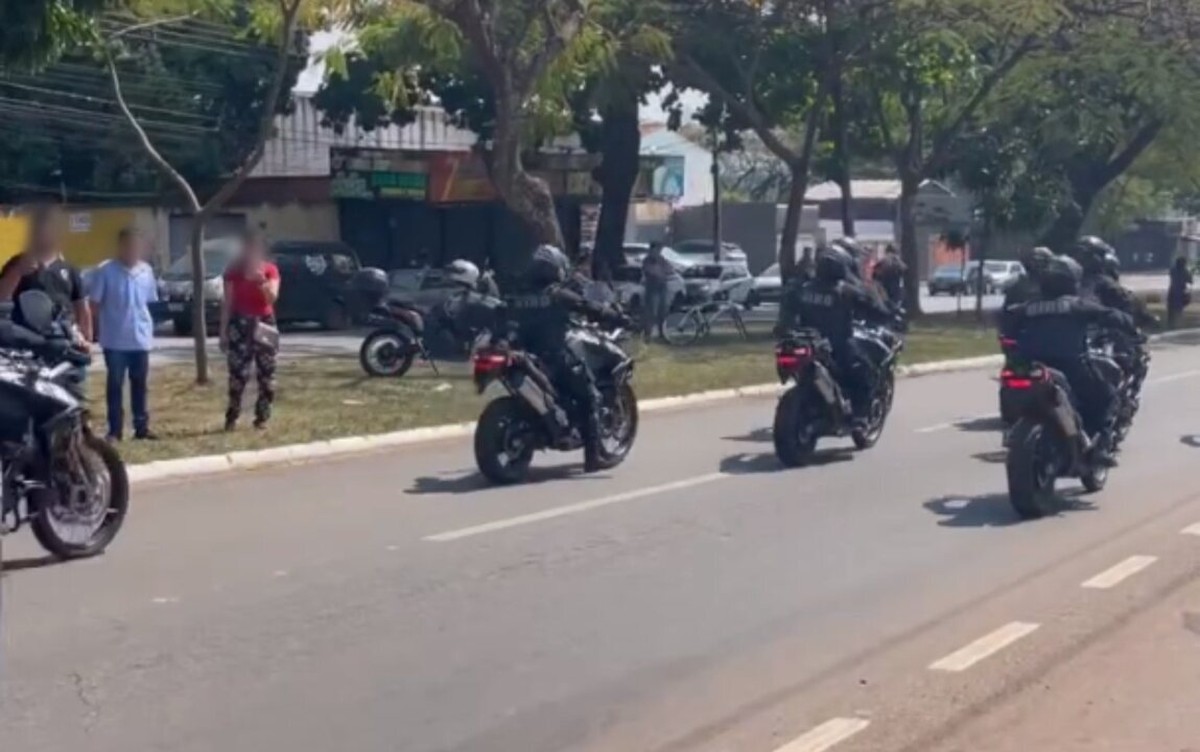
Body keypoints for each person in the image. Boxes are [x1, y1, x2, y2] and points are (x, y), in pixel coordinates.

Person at [501, 244, 632, 472]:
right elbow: (588, 307)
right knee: (589, 395)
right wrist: (617, 318)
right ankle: (594, 458)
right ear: (554, 269)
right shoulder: (556, 294)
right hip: (554, 355)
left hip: (522, 353)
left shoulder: (517, 294)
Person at [1001, 255, 1137, 465]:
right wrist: (1130, 323)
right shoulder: (1077, 306)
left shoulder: (1027, 308)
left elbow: (1006, 324)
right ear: (1072, 281)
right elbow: (1113, 316)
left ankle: (1013, 427)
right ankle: (1100, 449)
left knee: (1009, 384)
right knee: (1107, 396)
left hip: (1027, 366)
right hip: (1069, 366)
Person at [775, 244, 896, 424]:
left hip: (806, 340)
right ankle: (860, 415)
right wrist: (888, 312)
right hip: (837, 345)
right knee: (864, 369)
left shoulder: (804, 288)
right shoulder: (846, 291)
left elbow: (787, 306)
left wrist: (784, 327)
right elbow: (873, 308)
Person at [88, 227, 159, 442]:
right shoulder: (106, 271)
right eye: (128, 245)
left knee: (140, 385)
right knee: (115, 385)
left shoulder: (146, 271)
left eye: (136, 246)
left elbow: (149, 303)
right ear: (121, 246)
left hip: (140, 339)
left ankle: (141, 428)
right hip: (115, 340)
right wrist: (95, 333)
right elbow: (94, 304)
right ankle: (115, 430)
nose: (133, 250)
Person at [0, 204, 92, 349]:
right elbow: (2, 296)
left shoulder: (70, 268)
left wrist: (86, 339)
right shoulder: (17, 263)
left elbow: (82, 307)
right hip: (27, 344)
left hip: (63, 342)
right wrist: (17, 272)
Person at [219, 229, 281, 431]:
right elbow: (228, 303)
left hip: (264, 322)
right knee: (237, 374)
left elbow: (271, 298)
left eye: (255, 248)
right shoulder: (233, 271)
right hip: (240, 322)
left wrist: (261, 281)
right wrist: (223, 332)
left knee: (267, 373)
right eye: (248, 247)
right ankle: (232, 416)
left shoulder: (270, 270)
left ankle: (262, 417)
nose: (251, 252)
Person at [640, 241, 672, 342]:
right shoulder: (647, 260)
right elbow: (650, 271)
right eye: (657, 249)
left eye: (660, 249)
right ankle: (647, 335)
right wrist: (659, 272)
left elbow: (669, 269)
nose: (658, 251)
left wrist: (662, 271)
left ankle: (662, 333)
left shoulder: (661, 259)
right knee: (651, 312)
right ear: (652, 249)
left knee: (662, 312)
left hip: (662, 287)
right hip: (652, 288)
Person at [872, 244, 907, 310]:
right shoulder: (896, 262)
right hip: (894, 289)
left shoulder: (882, 262)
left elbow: (875, 276)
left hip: (884, 288)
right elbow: (904, 269)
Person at [1167, 255, 1193, 329]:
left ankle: (1171, 324)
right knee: (1178, 309)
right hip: (1180, 292)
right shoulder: (1185, 271)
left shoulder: (1173, 270)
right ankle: (1177, 325)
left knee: (1171, 309)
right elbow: (1190, 281)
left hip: (1172, 290)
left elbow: (1171, 275)